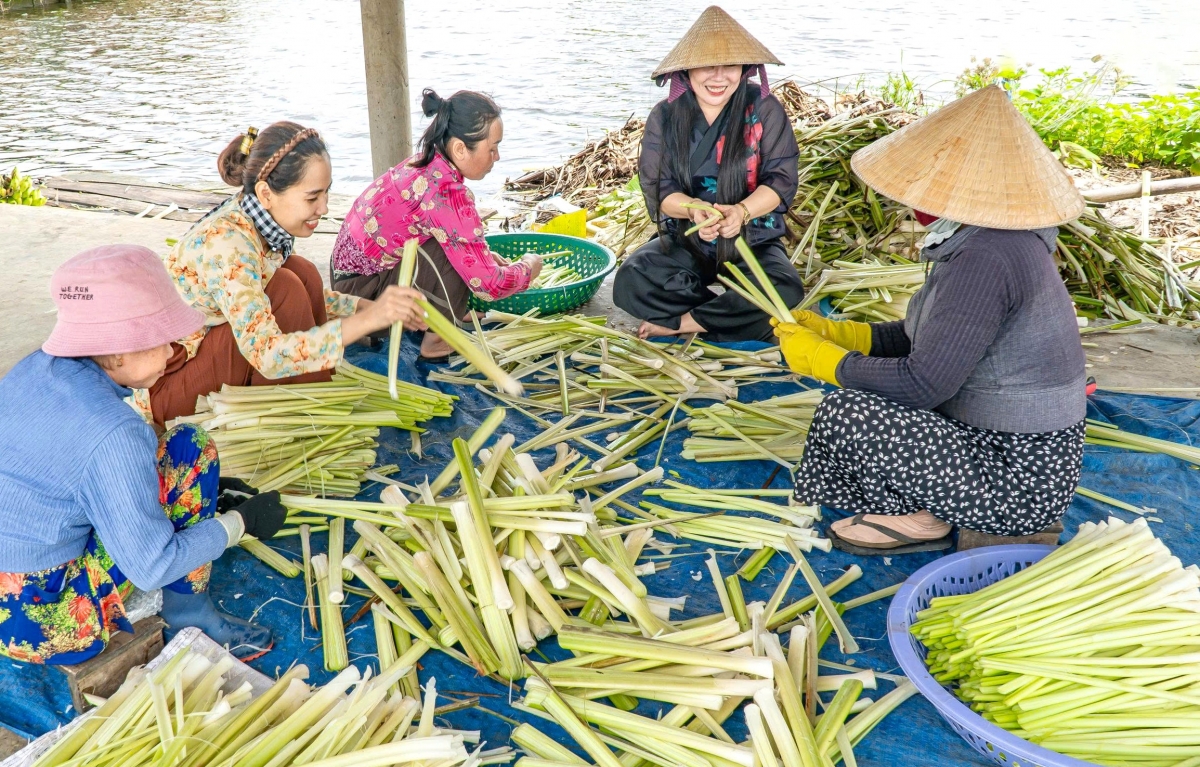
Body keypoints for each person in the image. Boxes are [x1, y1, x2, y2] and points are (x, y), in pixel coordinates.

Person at [774, 85, 1088, 553]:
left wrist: (827, 362)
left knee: (849, 412)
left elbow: (924, 384)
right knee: (864, 393)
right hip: (1008, 449)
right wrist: (846, 334)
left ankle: (923, 519)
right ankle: (930, 506)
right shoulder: (991, 236)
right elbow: (930, 341)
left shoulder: (986, 257)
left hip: (1017, 480)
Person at [0, 245, 290, 664]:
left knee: (174, 459)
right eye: (162, 341)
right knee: (191, 448)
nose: (173, 353)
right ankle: (189, 613)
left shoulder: (34, 368)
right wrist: (239, 523)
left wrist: (207, 492)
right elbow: (151, 567)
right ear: (117, 350)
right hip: (40, 621)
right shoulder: (115, 431)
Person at [148, 121, 428, 424]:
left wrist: (362, 307)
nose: (323, 207)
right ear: (266, 193)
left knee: (302, 273)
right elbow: (266, 354)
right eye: (312, 198)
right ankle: (307, 414)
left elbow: (264, 292)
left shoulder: (259, 221)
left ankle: (314, 393)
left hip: (202, 356)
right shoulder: (228, 244)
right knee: (286, 289)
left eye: (326, 193)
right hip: (166, 389)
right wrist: (368, 321)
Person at [612, 6, 804, 342]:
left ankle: (687, 321)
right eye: (707, 66)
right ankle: (730, 315)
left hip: (753, 239)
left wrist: (742, 212)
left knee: (785, 289)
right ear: (687, 69)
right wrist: (692, 209)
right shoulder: (667, 115)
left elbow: (781, 180)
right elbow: (659, 188)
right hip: (690, 238)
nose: (718, 77)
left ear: (744, 68)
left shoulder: (764, 108)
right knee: (632, 279)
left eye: (729, 65)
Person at [331, 89, 541, 361]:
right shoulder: (447, 194)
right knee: (461, 256)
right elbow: (489, 286)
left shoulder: (424, 164)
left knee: (464, 249)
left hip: (347, 283)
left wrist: (486, 257)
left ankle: (448, 311)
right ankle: (437, 343)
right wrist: (528, 267)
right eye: (492, 148)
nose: (497, 157)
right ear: (460, 149)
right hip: (362, 299)